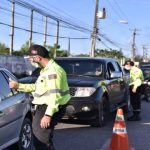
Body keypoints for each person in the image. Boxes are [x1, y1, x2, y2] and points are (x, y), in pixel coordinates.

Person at [9, 44, 71, 150]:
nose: (31, 61)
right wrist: (18, 86)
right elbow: (38, 87)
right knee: (42, 140)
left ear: (38, 58)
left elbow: (54, 95)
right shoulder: (45, 70)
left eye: (32, 59)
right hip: (45, 107)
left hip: (48, 108)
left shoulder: (53, 71)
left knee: (41, 142)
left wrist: (48, 115)